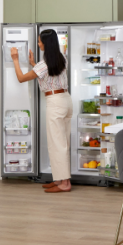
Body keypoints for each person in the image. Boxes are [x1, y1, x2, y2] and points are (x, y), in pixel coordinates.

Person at [10, 29, 73, 193]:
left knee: (57, 143)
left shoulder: (43, 65)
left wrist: (15, 59)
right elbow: (48, 73)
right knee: (63, 142)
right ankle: (59, 179)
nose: (38, 44)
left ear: (46, 44)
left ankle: (65, 183)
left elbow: (21, 78)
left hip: (55, 102)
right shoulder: (61, 58)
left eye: (39, 42)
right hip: (66, 100)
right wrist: (33, 64)